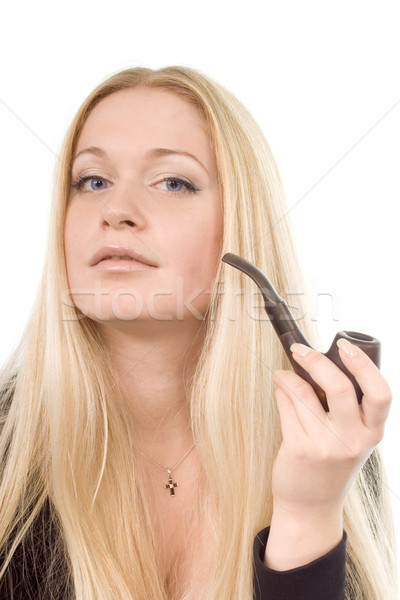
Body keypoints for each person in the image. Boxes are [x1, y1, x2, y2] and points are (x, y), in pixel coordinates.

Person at [0, 66, 396, 600]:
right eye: (93, 181)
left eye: (174, 182)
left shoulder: (325, 451)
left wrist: (308, 515)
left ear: (241, 223)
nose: (116, 211)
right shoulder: (9, 453)